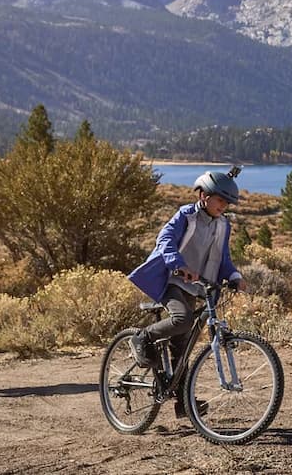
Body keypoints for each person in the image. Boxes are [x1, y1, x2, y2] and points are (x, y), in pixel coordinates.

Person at [126, 167, 247, 418]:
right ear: (203, 195)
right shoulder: (186, 215)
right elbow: (165, 240)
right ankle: (142, 337)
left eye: (227, 202)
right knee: (182, 320)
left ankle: (183, 402)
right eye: (220, 200)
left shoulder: (223, 225)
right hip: (172, 280)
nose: (223, 206)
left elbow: (222, 258)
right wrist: (179, 266)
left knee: (184, 347)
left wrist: (234, 276)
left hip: (197, 287)